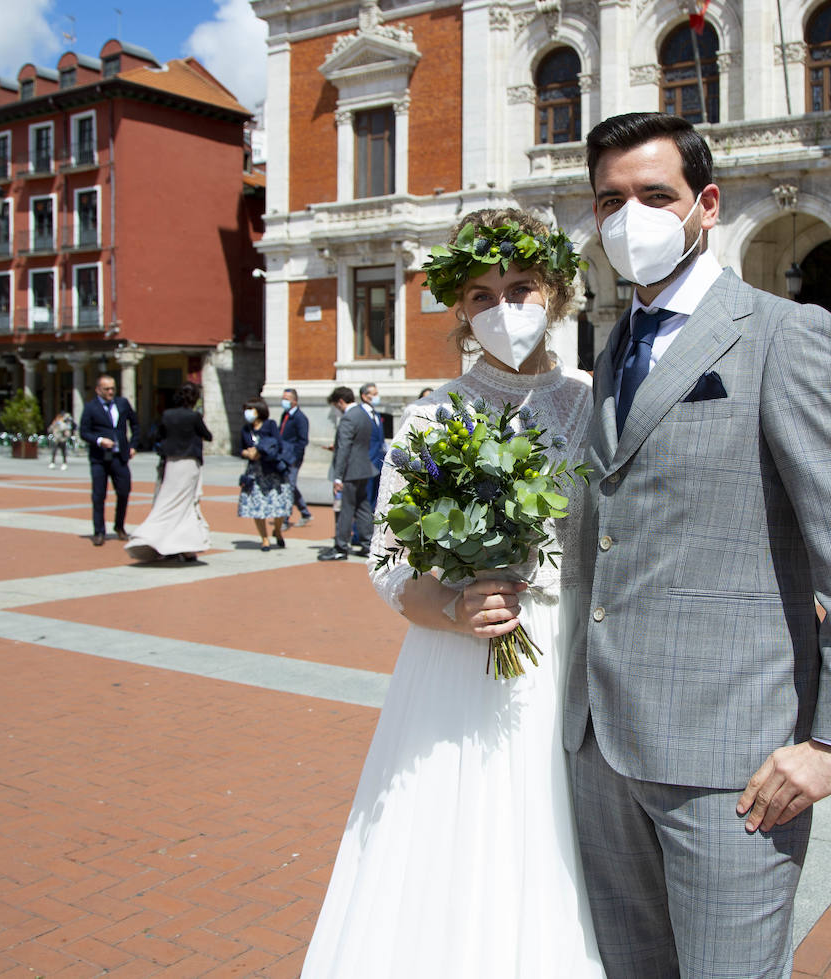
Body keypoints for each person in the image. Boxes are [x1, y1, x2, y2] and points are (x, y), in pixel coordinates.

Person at [564, 112, 831, 979]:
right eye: (610, 201)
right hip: (603, 753)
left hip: (735, 763)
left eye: (653, 195)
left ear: (705, 204)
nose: (627, 218)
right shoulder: (611, 351)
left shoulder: (783, 334)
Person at [300, 208, 604, 978]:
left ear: (556, 292)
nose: (503, 308)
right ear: (459, 310)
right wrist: (454, 606)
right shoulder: (435, 413)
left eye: (521, 287)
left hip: (573, 656)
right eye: (479, 294)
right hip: (461, 666)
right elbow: (389, 562)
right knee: (458, 841)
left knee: (560, 840)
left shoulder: (600, 402)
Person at [124, 381, 212, 562]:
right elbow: (208, 435)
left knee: (167, 501)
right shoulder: (194, 416)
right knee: (186, 505)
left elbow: (156, 435)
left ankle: (175, 546)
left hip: (171, 463)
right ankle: (179, 546)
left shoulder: (167, 415)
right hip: (189, 464)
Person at [320, 383, 380, 561]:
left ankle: (340, 547)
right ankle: (367, 544)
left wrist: (338, 476)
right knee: (363, 507)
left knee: (346, 509)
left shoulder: (348, 418)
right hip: (364, 468)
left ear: (339, 402)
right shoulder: (363, 414)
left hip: (350, 471)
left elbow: (344, 448)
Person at [79, 374, 139, 547]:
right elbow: (84, 432)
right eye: (106, 389)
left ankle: (119, 526)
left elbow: (135, 425)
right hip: (99, 458)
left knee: (124, 491)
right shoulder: (90, 407)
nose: (111, 392)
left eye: (113, 388)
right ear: (98, 389)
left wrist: (133, 445)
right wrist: (99, 440)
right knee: (99, 495)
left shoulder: (122, 404)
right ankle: (99, 531)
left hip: (119, 457)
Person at [236, 396, 293, 552]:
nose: (247, 413)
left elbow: (278, 444)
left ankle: (278, 530)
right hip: (255, 472)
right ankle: (264, 539)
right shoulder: (245, 430)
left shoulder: (270, 425)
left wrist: (261, 451)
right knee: (257, 505)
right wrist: (247, 453)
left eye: (250, 409)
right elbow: (240, 448)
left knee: (279, 504)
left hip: (272, 471)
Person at [279, 387, 314, 527]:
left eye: (286, 399)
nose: (284, 401)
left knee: (288, 486)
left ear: (294, 400)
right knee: (290, 486)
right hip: (283, 456)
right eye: (283, 398)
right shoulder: (285, 415)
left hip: (293, 458)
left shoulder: (300, 418)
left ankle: (285, 519)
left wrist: (295, 457)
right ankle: (305, 512)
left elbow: (302, 441)